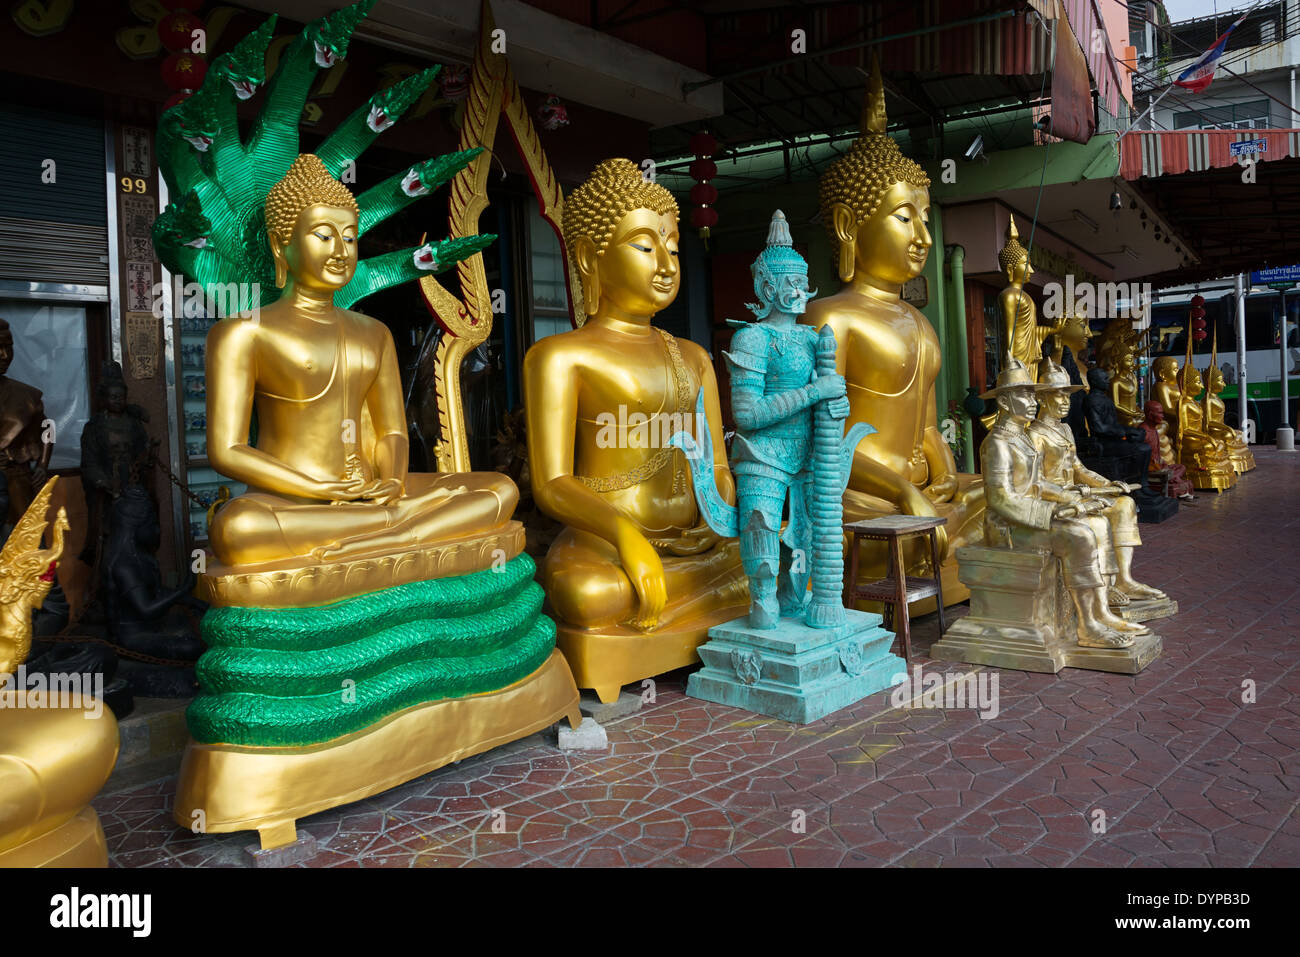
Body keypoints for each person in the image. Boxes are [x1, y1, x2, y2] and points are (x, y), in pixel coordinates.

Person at [204, 154, 517, 570]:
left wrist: (390, 480)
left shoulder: (374, 332)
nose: (340, 251)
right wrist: (317, 487)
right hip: (292, 501)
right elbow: (227, 449)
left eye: (349, 238)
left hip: (370, 495)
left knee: (498, 489)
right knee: (237, 529)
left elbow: (391, 429)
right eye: (323, 235)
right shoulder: (244, 332)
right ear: (282, 244)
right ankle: (399, 533)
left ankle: (384, 531)